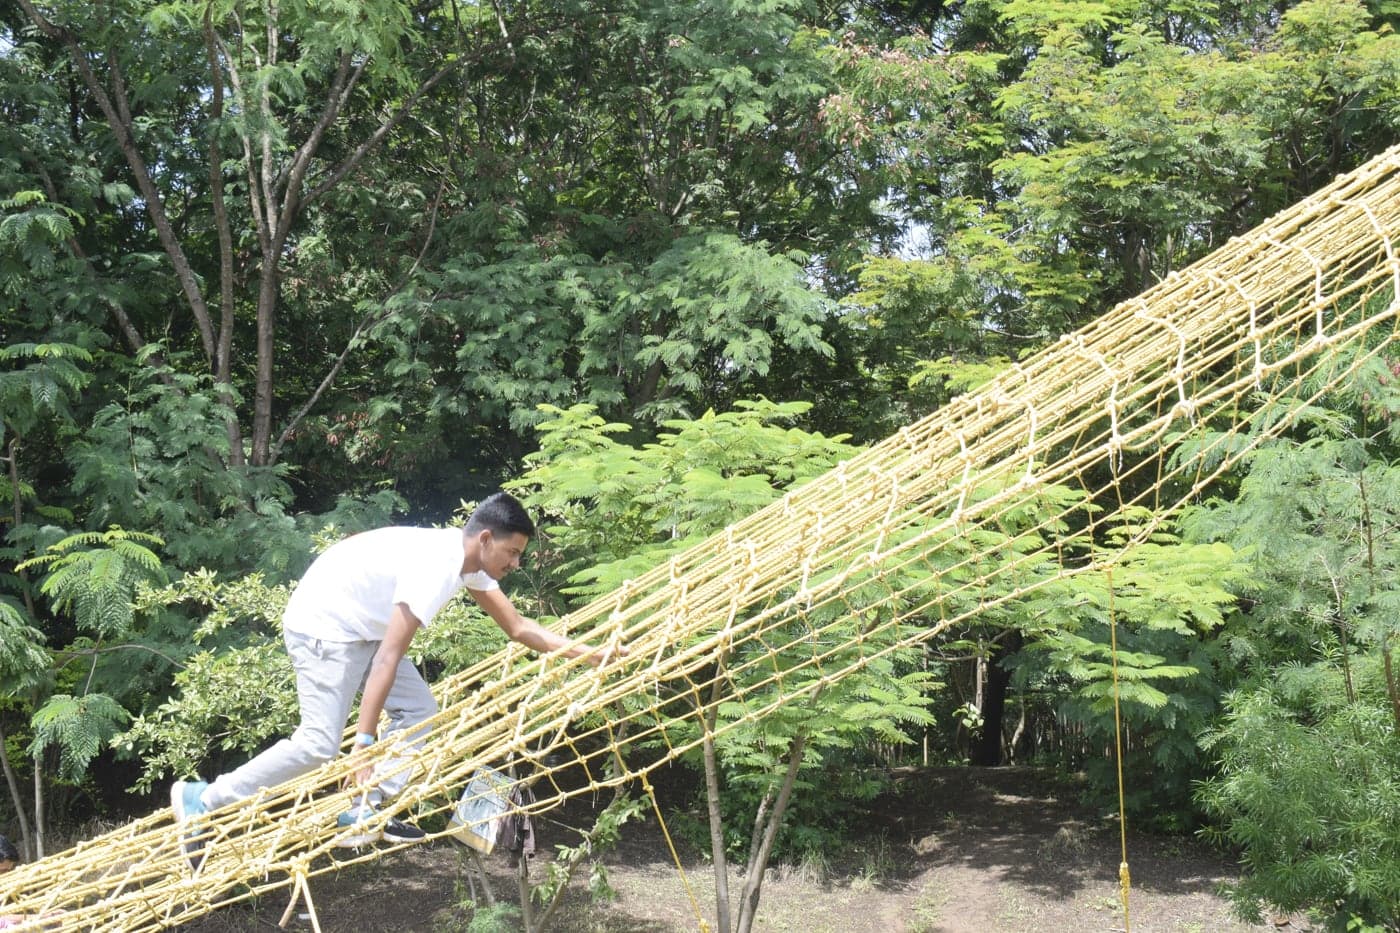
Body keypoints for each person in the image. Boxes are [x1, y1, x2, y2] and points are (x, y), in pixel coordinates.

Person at [171, 492, 614, 857]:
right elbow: (387, 657)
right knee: (320, 744)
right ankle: (203, 800)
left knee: (420, 709)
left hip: (362, 625)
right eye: (512, 552)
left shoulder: (469, 563)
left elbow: (518, 628)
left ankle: (367, 806)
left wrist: (590, 653)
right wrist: (363, 746)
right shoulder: (438, 567)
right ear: (484, 539)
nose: (516, 563)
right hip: (325, 625)